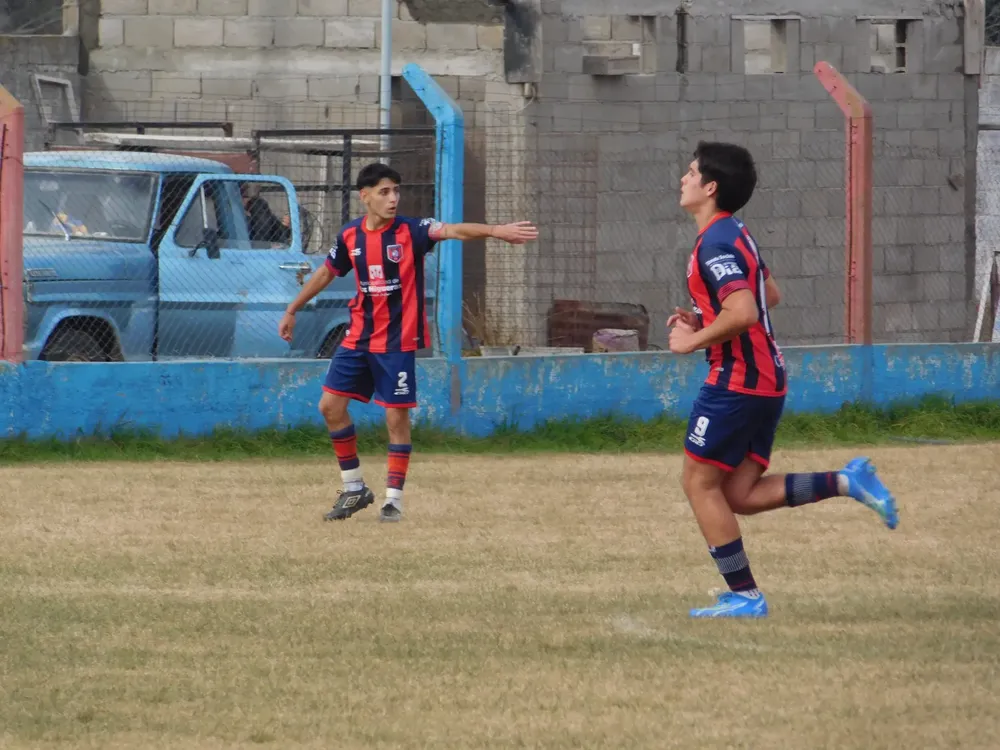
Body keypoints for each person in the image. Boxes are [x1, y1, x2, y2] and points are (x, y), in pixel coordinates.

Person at [667, 141, 899, 619]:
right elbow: (768, 293)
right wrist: (704, 316)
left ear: (710, 187)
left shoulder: (714, 243)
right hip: (766, 379)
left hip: (737, 381)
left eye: (691, 172)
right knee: (739, 495)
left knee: (699, 484)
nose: (683, 179)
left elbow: (746, 310)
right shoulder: (734, 233)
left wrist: (692, 341)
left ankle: (745, 597)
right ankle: (846, 481)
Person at [279, 162, 538, 523]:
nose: (393, 199)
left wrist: (495, 231)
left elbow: (453, 230)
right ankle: (354, 488)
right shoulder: (350, 236)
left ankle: (393, 501)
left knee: (395, 417)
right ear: (365, 196)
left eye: (396, 191)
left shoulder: (412, 231)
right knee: (330, 407)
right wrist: (292, 308)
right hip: (358, 338)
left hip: (397, 341)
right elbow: (326, 272)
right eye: (384, 192)